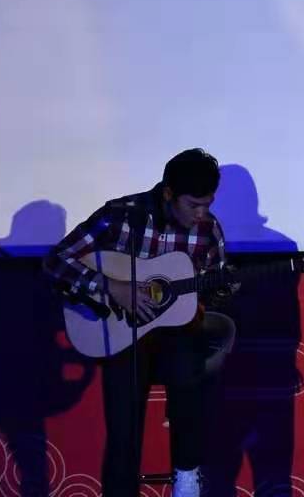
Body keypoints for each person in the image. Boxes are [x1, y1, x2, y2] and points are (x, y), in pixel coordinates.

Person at [44, 148, 227, 497]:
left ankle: (187, 477)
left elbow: (214, 285)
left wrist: (214, 294)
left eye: (207, 204)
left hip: (176, 339)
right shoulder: (120, 215)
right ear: (168, 193)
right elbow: (56, 260)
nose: (201, 214)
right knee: (124, 431)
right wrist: (112, 286)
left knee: (194, 355)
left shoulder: (209, 230)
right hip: (123, 335)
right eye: (193, 205)